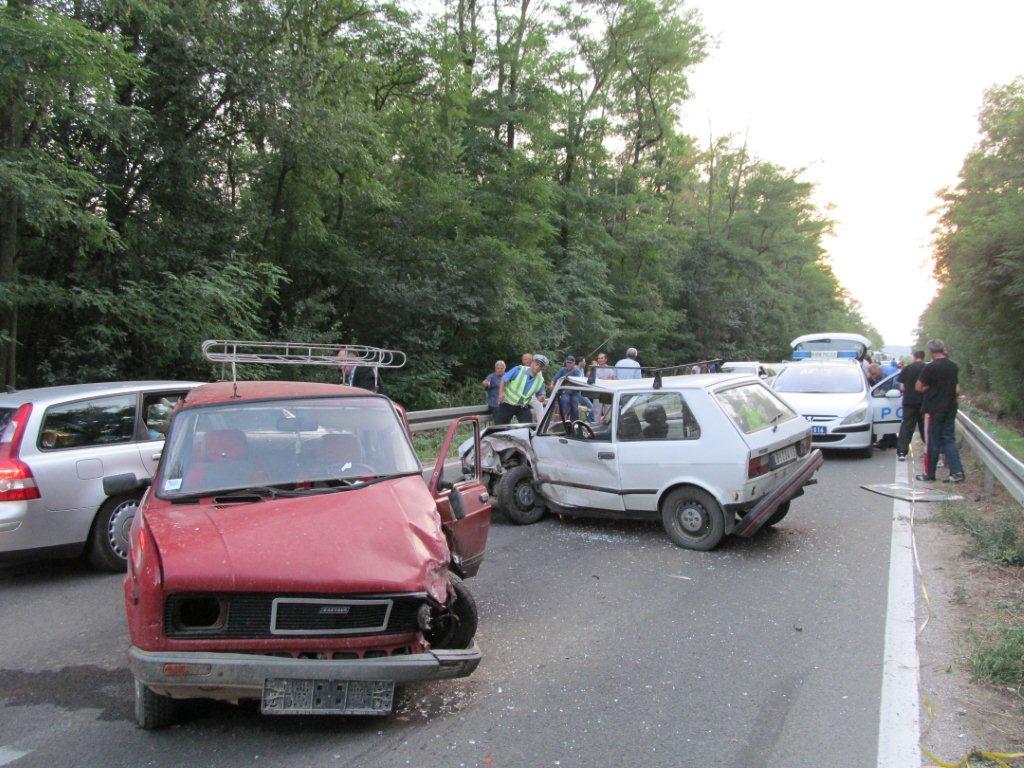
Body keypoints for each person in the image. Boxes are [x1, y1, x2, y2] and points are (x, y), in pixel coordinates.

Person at [915, 339, 964, 483]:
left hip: (933, 408)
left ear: (931, 352)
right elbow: (956, 388)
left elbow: (918, 387)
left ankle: (929, 474)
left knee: (932, 441)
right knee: (949, 439)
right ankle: (957, 472)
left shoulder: (931, 367)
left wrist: (928, 387)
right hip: (950, 407)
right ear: (943, 350)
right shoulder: (953, 366)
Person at [497, 354, 548, 424]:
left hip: (522, 407)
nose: (538, 367)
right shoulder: (519, 369)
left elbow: (541, 394)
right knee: (500, 429)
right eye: (537, 364)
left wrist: (542, 397)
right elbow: (504, 379)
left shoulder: (540, 380)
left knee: (528, 428)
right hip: (507, 404)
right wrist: (501, 393)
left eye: (541, 366)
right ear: (532, 362)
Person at [896, 350, 926, 461]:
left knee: (907, 427)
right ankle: (930, 451)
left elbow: (902, 388)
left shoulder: (906, 369)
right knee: (925, 428)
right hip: (924, 402)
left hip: (909, 402)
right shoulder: (927, 368)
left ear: (914, 357)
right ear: (923, 357)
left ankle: (902, 452)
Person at [552, 355, 584, 422]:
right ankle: (562, 422)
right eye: (567, 362)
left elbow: (576, 383)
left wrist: (566, 380)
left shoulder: (577, 371)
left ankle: (575, 423)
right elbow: (555, 379)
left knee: (574, 407)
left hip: (575, 392)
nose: (568, 364)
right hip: (565, 391)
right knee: (565, 401)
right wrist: (552, 385)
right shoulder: (562, 369)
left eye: (570, 363)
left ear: (574, 363)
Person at [482, 360, 506, 424]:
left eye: (501, 368)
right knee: (499, 423)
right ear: (495, 369)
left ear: (504, 368)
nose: (500, 370)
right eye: (498, 368)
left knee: (506, 423)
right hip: (495, 404)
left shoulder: (507, 376)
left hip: (506, 403)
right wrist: (486, 383)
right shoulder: (491, 376)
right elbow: (485, 382)